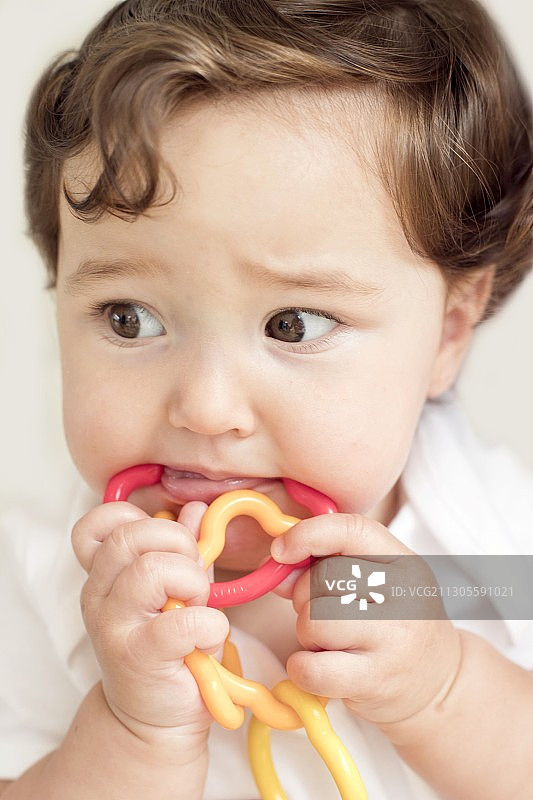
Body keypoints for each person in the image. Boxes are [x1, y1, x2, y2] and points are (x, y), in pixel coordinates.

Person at [1, 0, 532, 797]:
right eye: (129, 318)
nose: (207, 410)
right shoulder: (38, 585)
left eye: (293, 324)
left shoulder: (494, 554)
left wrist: (442, 687)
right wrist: (130, 731)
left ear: (448, 331)